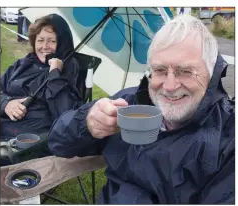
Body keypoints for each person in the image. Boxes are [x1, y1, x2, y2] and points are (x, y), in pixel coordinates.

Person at [48, 15, 235, 204]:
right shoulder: (127, 105)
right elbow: (58, 143)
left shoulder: (228, 138)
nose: (169, 86)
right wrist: (86, 121)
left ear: (211, 73)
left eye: (186, 71)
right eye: (160, 70)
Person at [1, 14, 84, 140]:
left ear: (62, 43)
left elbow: (66, 115)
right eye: (40, 40)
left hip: (27, 141)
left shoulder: (69, 69)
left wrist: (55, 74)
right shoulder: (22, 64)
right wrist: (5, 104)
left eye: (52, 41)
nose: (44, 47)